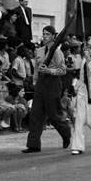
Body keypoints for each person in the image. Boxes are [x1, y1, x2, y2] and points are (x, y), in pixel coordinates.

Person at [22, 25, 71, 153]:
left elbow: (63, 70)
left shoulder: (57, 52)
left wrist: (49, 70)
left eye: (47, 34)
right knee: (36, 114)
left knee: (54, 115)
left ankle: (66, 133)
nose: (44, 36)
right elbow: (37, 68)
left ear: (54, 36)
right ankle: (33, 144)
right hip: (40, 84)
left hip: (53, 83)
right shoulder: (39, 51)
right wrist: (35, 80)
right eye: (43, 34)